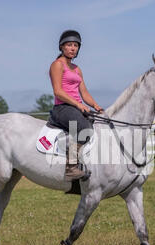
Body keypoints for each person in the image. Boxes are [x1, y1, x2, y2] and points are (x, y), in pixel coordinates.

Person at [49, 30, 104, 181]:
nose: (73, 48)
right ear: (62, 47)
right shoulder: (57, 65)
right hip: (63, 108)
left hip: (76, 107)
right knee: (83, 128)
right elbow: (58, 92)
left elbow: (84, 93)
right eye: (69, 45)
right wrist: (78, 105)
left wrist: (96, 106)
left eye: (75, 45)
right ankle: (71, 167)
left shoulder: (77, 69)